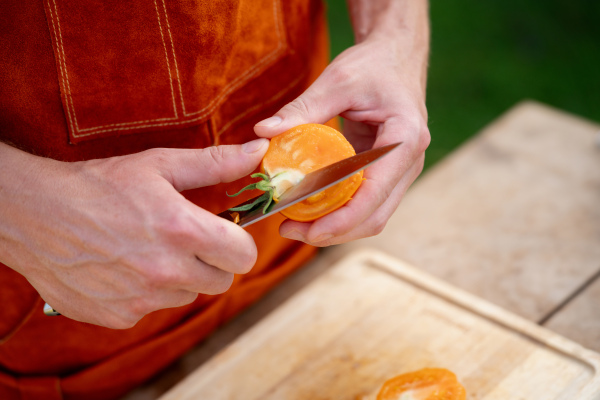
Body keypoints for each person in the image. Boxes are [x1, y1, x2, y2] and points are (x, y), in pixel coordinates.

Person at [0, 0, 430, 398]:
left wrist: (395, 37)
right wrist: (22, 205)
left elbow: (396, 29)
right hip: (54, 327)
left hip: (286, 270)